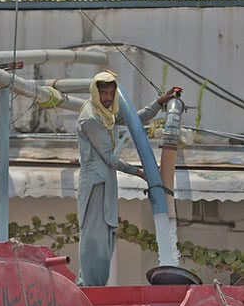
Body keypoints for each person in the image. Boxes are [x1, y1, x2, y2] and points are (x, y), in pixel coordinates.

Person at [76, 70, 180, 286]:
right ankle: (89, 285)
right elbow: (108, 157)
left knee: (106, 236)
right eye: (103, 93)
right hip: (96, 183)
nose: (106, 98)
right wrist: (141, 173)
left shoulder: (106, 112)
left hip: (105, 180)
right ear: (95, 92)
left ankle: (93, 285)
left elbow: (134, 119)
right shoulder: (92, 117)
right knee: (95, 239)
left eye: (110, 93)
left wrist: (159, 102)